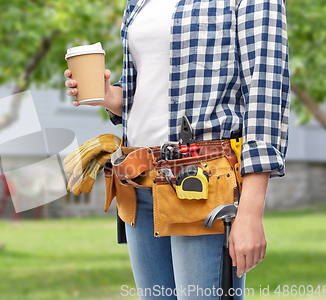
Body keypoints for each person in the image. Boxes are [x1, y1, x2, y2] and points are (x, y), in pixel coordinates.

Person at [64, 0, 290, 299]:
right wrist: (108, 95)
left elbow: (267, 91)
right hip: (139, 183)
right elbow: (143, 90)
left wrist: (250, 212)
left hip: (202, 184)